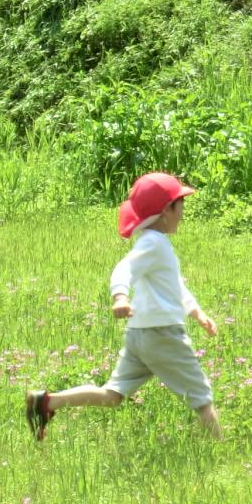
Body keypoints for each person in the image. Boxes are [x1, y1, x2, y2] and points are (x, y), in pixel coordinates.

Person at [25, 172, 221, 441]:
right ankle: (219, 449)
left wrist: (196, 312)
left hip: (140, 335)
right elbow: (123, 269)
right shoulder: (154, 243)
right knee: (202, 398)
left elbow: (175, 285)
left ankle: (46, 402)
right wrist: (120, 296)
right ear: (166, 210)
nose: (183, 211)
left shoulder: (153, 243)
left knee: (113, 395)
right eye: (180, 204)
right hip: (162, 335)